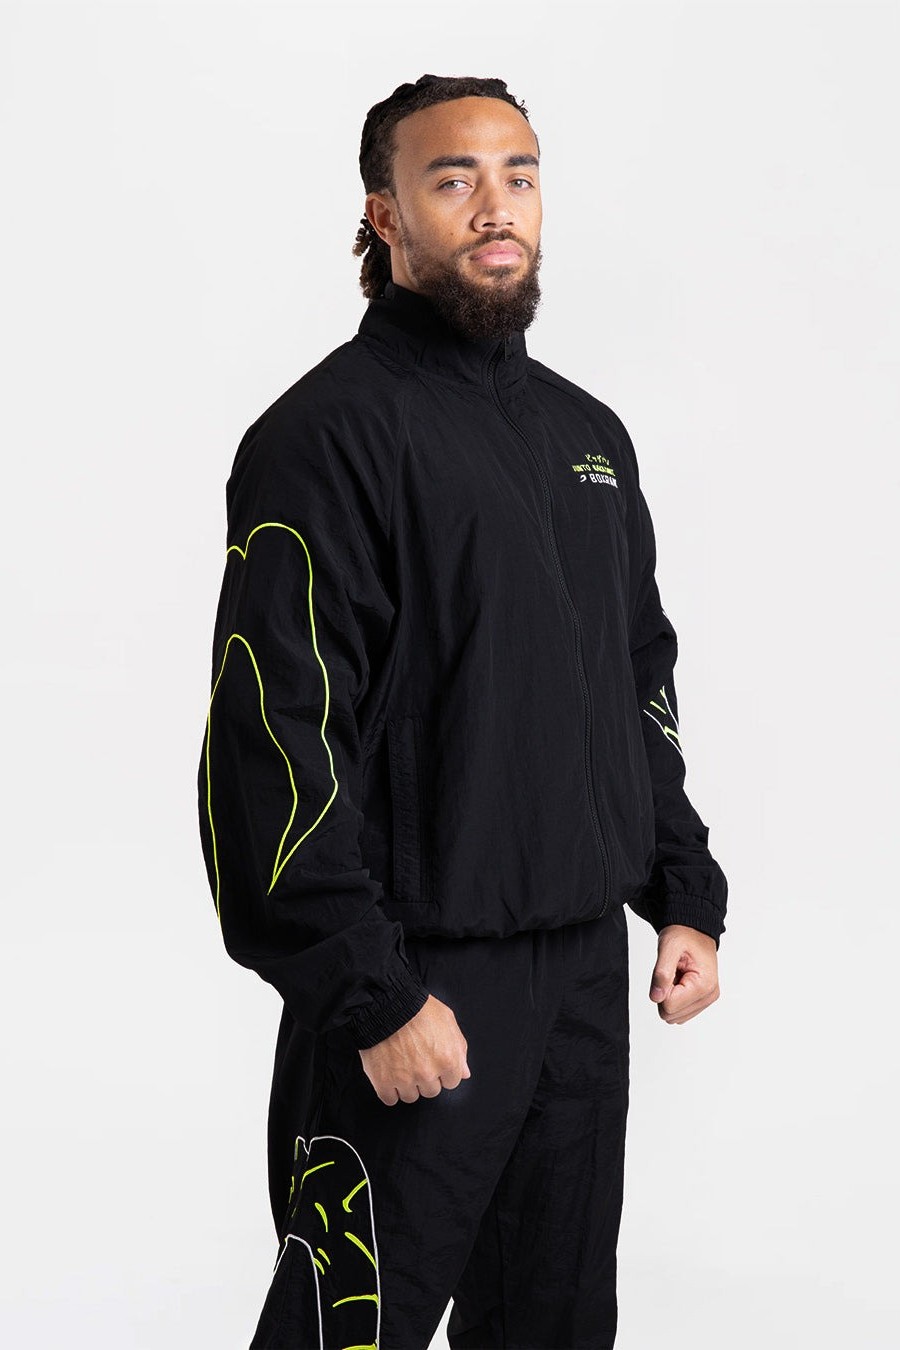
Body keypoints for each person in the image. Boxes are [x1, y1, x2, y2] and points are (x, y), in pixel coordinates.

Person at [198, 73, 728, 1350]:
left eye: (519, 175)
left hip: (579, 981)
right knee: (348, 1328)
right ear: (384, 215)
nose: (498, 206)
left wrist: (683, 890)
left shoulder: (586, 435)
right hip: (418, 977)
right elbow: (271, 740)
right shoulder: (326, 436)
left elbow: (634, 678)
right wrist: (368, 993)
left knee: (553, 1326)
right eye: (454, 179)